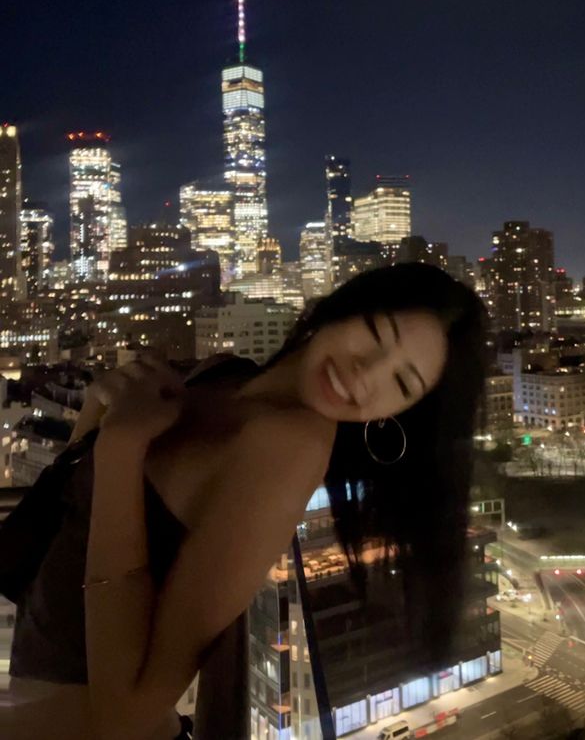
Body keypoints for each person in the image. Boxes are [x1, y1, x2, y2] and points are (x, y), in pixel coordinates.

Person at [3, 262, 489, 740]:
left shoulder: (290, 448)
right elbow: (74, 520)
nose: (366, 375)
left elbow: (127, 715)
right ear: (340, 308)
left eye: (402, 384)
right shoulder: (222, 376)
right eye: (375, 333)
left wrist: (121, 450)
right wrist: (102, 405)